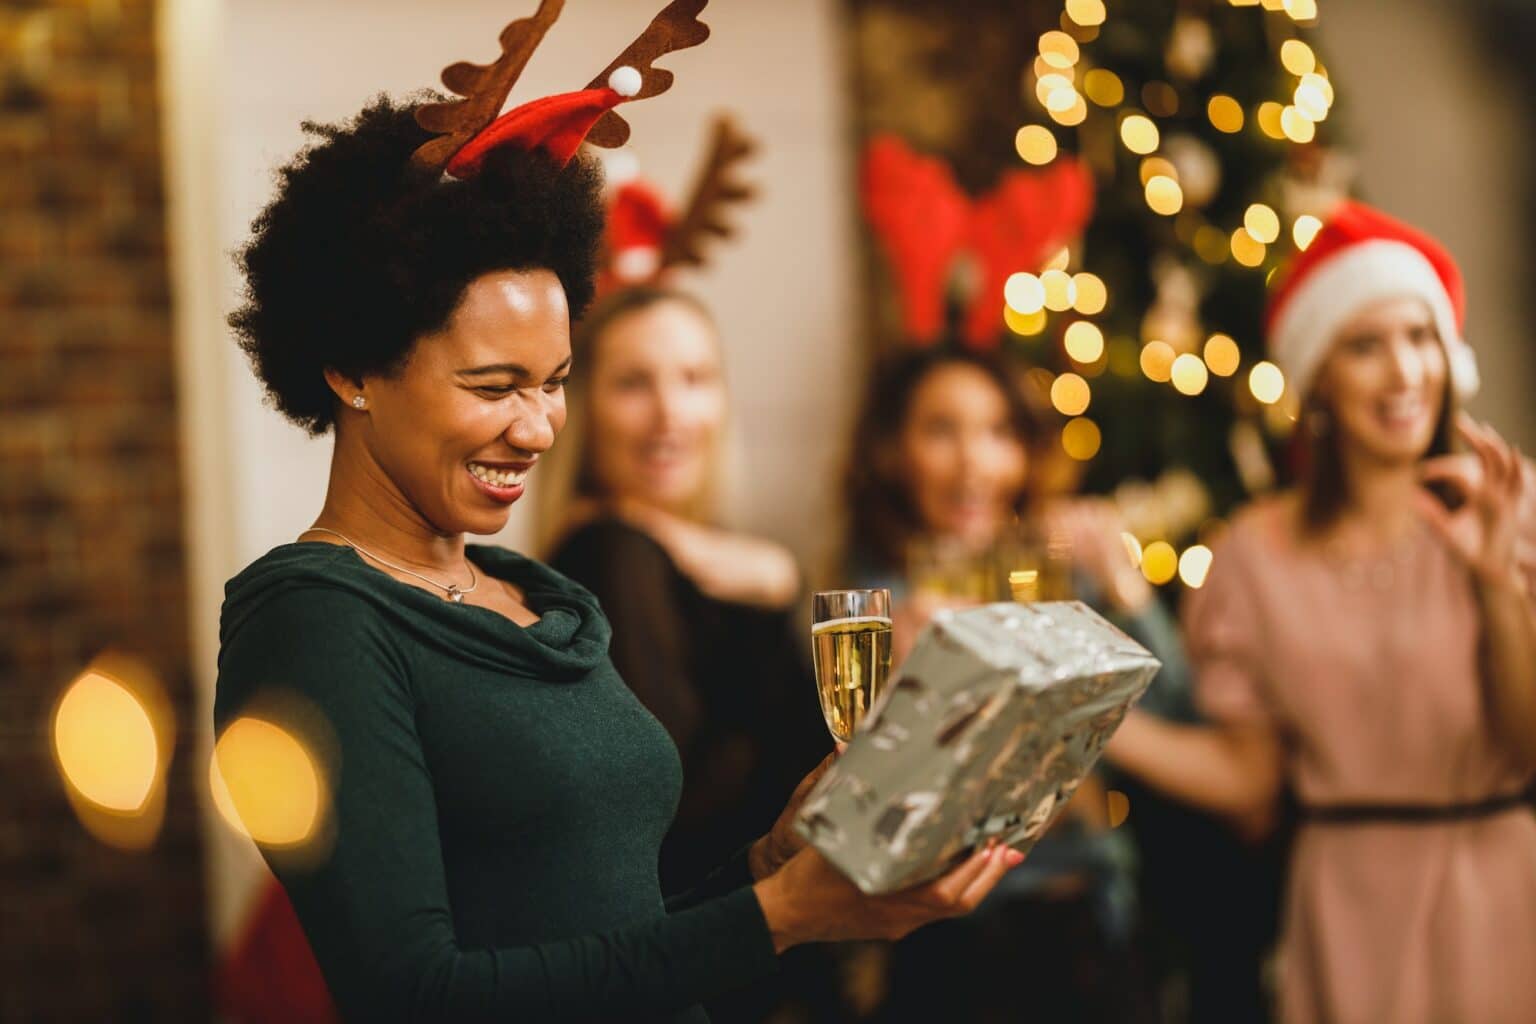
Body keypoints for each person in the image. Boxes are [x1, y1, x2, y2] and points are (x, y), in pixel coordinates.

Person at [213, 54, 1023, 1024]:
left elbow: (616, 935)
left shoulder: (541, 599)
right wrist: (776, 912)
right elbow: (418, 995)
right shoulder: (317, 621)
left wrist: (776, 868)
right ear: (352, 369)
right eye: (493, 385)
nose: (540, 426)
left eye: (553, 381)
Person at [1106, 201, 1536, 1024]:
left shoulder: (1513, 513)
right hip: (1342, 909)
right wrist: (1093, 722)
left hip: (1498, 898)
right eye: (1364, 345)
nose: (1405, 371)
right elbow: (1252, 780)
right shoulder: (1252, 558)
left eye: (1420, 338)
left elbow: (1527, 742)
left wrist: (1495, 585)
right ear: (1319, 379)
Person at [840, 346, 1185, 1023]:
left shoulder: (1063, 576)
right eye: (942, 430)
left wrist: (1128, 591)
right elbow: (865, 812)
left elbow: (1180, 714)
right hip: (944, 935)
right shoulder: (871, 605)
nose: (974, 461)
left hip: (1088, 916)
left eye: (998, 432)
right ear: (894, 452)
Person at [539, 285, 841, 1020]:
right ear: (582, 408)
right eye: (633, 383)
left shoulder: (711, 562)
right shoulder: (611, 556)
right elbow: (672, 802)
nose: (670, 413)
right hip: (707, 959)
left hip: (755, 941)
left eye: (696, 378)